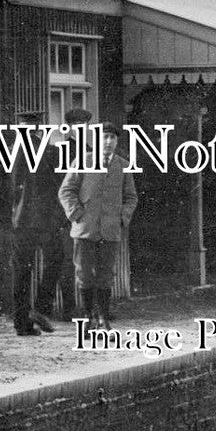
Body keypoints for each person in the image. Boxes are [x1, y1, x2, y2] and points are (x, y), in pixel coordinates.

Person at [0, 108, 65, 336]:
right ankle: (40, 308)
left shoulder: (9, 151)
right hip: (47, 221)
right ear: (39, 128)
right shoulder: (50, 151)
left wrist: (13, 200)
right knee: (55, 260)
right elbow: (62, 184)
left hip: (20, 223)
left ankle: (22, 324)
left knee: (21, 272)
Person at [58, 122, 137, 330]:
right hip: (85, 229)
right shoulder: (83, 161)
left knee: (105, 274)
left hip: (110, 230)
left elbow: (131, 197)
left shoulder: (123, 165)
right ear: (97, 140)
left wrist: (121, 218)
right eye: (105, 137)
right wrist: (77, 214)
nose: (108, 142)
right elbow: (66, 190)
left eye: (112, 137)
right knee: (84, 273)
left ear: (117, 141)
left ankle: (103, 317)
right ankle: (87, 317)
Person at [54, 107, 93, 321]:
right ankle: (69, 308)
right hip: (66, 217)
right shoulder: (61, 152)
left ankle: (88, 309)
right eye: (76, 126)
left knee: (87, 263)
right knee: (68, 262)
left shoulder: (90, 151)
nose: (81, 129)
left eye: (84, 126)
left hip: (87, 218)